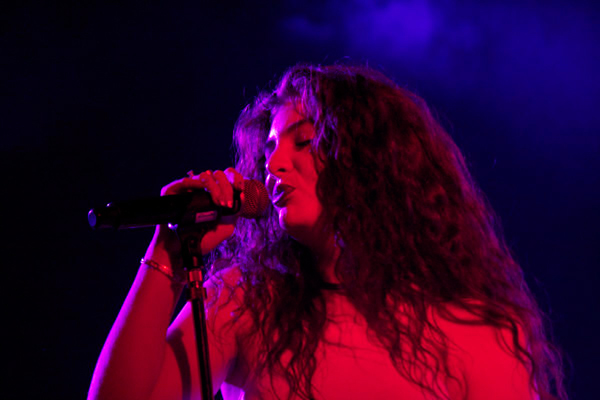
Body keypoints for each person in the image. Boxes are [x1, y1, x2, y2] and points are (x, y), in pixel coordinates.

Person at [88, 64, 566, 400]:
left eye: (304, 141)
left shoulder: (473, 328)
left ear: (371, 161)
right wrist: (170, 253)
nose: (274, 164)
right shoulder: (246, 302)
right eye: (270, 147)